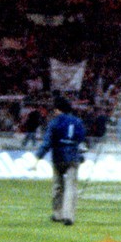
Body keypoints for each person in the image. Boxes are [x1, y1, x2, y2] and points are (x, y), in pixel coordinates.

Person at [34, 96, 87, 225]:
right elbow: (81, 140)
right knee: (71, 187)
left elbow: (47, 142)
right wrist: (80, 155)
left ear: (58, 110)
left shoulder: (55, 122)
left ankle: (57, 214)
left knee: (58, 186)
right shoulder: (78, 122)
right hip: (73, 158)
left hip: (58, 158)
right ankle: (69, 216)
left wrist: (38, 157)